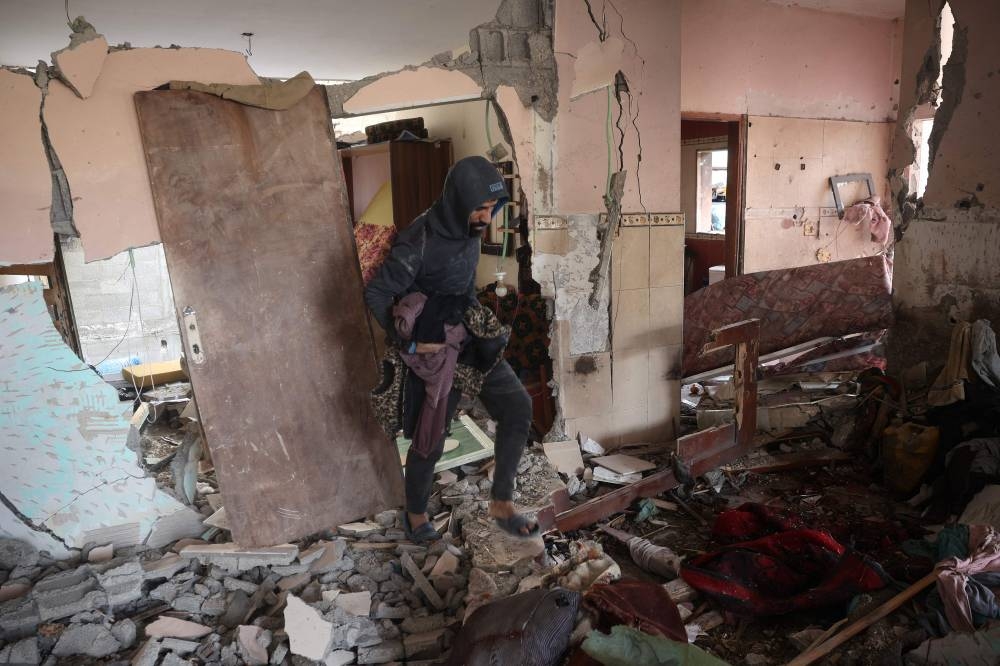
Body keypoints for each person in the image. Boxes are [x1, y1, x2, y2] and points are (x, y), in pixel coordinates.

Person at [364, 155, 537, 543]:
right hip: (432, 343)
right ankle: (415, 512)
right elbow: (376, 291)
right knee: (432, 432)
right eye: (479, 208)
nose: (487, 218)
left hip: (469, 329)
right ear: (457, 201)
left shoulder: (469, 229)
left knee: (518, 407)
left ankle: (502, 502)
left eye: (493, 208)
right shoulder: (419, 239)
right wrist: (407, 342)